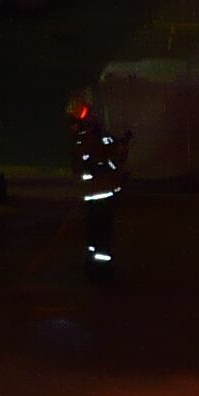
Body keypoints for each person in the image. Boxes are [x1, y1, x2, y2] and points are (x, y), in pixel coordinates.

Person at [68, 92, 130, 272]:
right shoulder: (95, 137)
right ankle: (97, 263)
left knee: (98, 234)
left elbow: (85, 165)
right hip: (100, 194)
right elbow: (116, 159)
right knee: (98, 234)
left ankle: (99, 267)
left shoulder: (88, 139)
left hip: (98, 196)